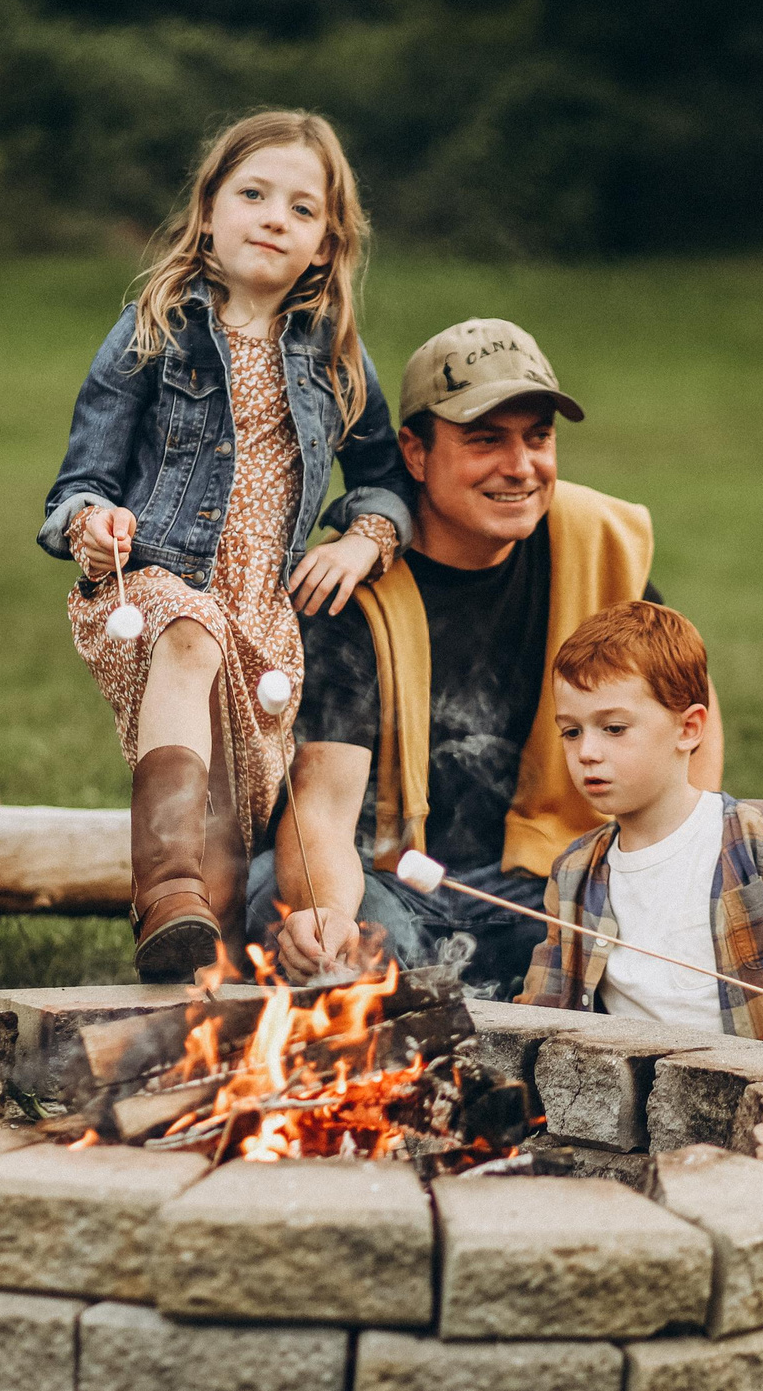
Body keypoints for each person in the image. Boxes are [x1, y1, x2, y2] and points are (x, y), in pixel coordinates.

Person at [37, 110, 413, 982]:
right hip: (150, 586)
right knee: (189, 634)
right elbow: (75, 486)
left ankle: (190, 947)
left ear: (326, 244)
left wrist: (363, 539)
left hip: (264, 613)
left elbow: (386, 478)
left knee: (232, 794)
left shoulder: (339, 359)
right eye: (253, 194)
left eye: (301, 208)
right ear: (208, 210)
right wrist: (94, 527)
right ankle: (166, 891)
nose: (274, 217)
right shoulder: (154, 329)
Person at [249, 318, 724, 996]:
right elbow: (319, 805)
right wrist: (324, 914)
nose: (521, 466)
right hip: (385, 883)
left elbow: (691, 715)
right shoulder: (354, 587)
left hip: (544, 880)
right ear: (414, 453)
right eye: (485, 440)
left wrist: (673, 866)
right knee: (291, 910)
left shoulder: (596, 543)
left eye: (539, 436)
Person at [516, 601, 763, 1056]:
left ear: (689, 729)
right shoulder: (574, 873)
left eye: (613, 728)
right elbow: (543, 1013)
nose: (587, 751)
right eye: (571, 732)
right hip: (632, 1110)